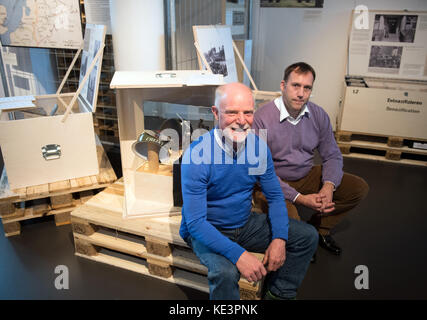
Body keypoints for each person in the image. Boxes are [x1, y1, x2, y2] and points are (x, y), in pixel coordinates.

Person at [180, 82, 318, 300]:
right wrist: (239, 255)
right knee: (225, 272)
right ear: (215, 113)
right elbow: (195, 223)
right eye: (232, 113)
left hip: (244, 224)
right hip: (208, 229)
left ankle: (279, 294)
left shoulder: (257, 148)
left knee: (307, 236)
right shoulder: (197, 156)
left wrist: (280, 238)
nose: (242, 121)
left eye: (248, 112)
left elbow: (274, 196)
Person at [252, 62, 369, 256]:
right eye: (295, 86)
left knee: (358, 188)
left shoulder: (318, 115)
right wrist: (300, 199)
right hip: (271, 182)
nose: (301, 93)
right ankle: (305, 238)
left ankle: (319, 229)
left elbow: (332, 154)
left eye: (307, 88)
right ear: (283, 86)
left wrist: (328, 186)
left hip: (305, 175)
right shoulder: (262, 118)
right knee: (294, 226)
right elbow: (259, 169)